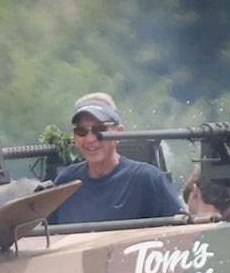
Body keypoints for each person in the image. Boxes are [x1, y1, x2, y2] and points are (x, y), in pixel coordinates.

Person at [48, 92, 187, 225]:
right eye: (81, 131)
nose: (90, 139)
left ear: (119, 133)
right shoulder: (65, 181)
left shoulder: (147, 178)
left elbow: (182, 231)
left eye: (99, 129)